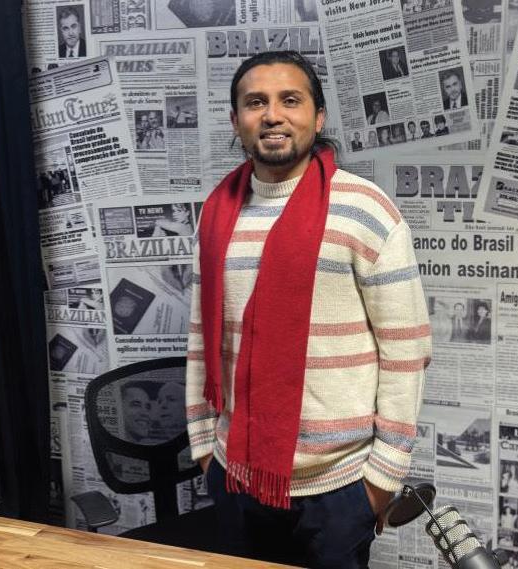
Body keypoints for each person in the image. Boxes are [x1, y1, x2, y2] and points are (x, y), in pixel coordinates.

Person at [186, 50, 431, 568]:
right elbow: (201, 338)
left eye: (290, 100)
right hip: (236, 474)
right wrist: (206, 447)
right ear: (236, 120)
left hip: (339, 488)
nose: (272, 115)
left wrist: (381, 480)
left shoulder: (365, 211)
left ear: (318, 118)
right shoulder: (216, 212)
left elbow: (406, 353)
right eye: (256, 102)